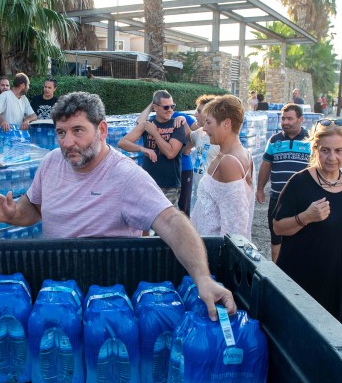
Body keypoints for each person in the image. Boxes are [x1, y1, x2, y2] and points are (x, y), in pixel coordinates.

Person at [0, 91, 236, 320]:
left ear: (102, 130)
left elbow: (171, 220)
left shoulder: (125, 176)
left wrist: (202, 278)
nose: (67, 142)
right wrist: (13, 213)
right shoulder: (51, 162)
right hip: (57, 299)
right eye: (61, 132)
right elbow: (34, 207)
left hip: (108, 306)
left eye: (78, 130)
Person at [272, 121, 342, 329]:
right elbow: (278, 227)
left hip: (338, 278)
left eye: (338, 150)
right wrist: (305, 217)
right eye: (325, 150)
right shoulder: (299, 183)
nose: (332, 158)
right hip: (301, 278)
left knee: (336, 339)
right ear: (315, 149)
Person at [191, 95, 255, 238]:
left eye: (209, 122)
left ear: (226, 123)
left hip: (213, 255)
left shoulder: (229, 162)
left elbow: (236, 229)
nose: (205, 128)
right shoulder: (240, 154)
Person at [256, 104, 311, 262]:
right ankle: (278, 273)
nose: (285, 122)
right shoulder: (274, 141)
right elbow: (266, 165)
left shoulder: (311, 140)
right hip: (278, 199)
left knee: (303, 238)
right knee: (276, 236)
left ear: (301, 119)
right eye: (283, 119)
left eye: (290, 119)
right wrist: (260, 189)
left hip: (304, 201)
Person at [118, 90, 189, 208]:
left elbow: (171, 153)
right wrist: (142, 149)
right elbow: (122, 143)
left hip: (169, 185)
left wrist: (155, 133)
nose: (170, 110)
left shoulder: (177, 125)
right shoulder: (147, 124)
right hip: (148, 182)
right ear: (155, 107)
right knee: (146, 220)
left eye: (172, 106)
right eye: (166, 107)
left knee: (168, 222)